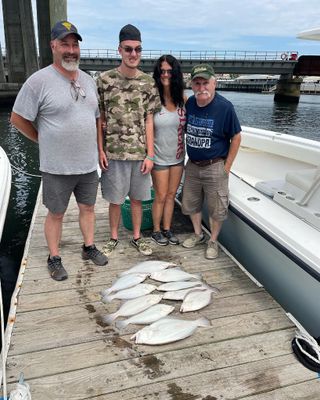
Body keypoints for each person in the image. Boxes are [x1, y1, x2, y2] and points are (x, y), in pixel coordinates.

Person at [10, 20, 108, 281]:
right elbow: (18, 118)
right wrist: (40, 138)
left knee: (88, 208)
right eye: (65, 43)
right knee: (56, 213)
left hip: (87, 165)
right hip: (57, 166)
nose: (71, 49)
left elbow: (97, 117)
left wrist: (99, 149)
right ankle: (54, 257)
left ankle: (88, 247)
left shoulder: (88, 80)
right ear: (53, 45)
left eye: (75, 44)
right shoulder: (38, 81)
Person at [97, 24, 161, 257]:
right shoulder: (104, 80)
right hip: (113, 154)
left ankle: (136, 236)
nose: (133, 54)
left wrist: (151, 155)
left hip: (139, 154)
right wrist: (100, 150)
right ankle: (113, 237)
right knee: (115, 201)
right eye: (128, 49)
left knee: (137, 199)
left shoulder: (148, 83)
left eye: (138, 49)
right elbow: (100, 118)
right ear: (120, 50)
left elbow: (149, 121)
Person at [182, 64, 241, 259]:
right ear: (192, 85)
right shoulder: (190, 103)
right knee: (191, 203)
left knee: (217, 207)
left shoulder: (225, 107)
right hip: (192, 164)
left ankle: (213, 241)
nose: (201, 88)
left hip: (215, 165)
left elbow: (237, 137)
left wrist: (227, 167)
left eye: (205, 83)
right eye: (197, 83)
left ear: (214, 83)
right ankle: (198, 234)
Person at [151, 55, 186, 246]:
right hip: (159, 158)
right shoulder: (153, 101)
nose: (166, 74)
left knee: (172, 195)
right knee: (161, 195)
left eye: (169, 71)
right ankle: (156, 230)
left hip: (178, 157)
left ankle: (167, 228)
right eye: (162, 71)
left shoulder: (183, 100)